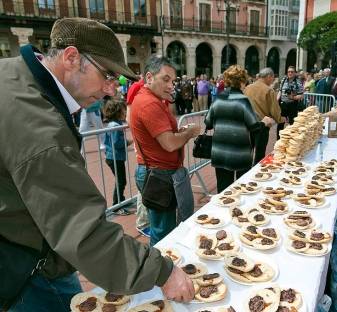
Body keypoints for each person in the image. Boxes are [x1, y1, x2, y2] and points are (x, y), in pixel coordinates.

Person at [0, 17, 194, 311]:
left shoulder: (14, 74)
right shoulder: (37, 123)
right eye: (106, 75)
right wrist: (161, 272)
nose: (110, 89)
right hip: (27, 265)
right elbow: (80, 226)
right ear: (71, 58)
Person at [130, 56, 200, 246]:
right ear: (150, 77)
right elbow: (169, 143)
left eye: (173, 81)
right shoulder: (149, 103)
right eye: (166, 79)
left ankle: (162, 267)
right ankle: (161, 272)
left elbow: (165, 137)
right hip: (159, 174)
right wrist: (190, 133)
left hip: (159, 172)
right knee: (163, 234)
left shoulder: (152, 100)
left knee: (163, 228)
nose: (171, 86)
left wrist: (180, 133)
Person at [205, 65, 274, 192]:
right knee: (241, 189)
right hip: (239, 152)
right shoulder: (243, 100)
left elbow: (208, 123)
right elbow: (254, 127)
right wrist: (264, 122)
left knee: (223, 191)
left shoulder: (218, 99)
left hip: (220, 151)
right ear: (241, 82)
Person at [125, 77, 151, 237]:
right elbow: (129, 117)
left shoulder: (159, 88)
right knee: (146, 182)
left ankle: (145, 219)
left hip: (153, 141)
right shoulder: (136, 87)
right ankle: (142, 221)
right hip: (145, 144)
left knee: (149, 184)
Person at [244, 67, 285, 164]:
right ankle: (256, 175)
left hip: (248, 124)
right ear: (268, 76)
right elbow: (274, 110)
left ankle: (245, 173)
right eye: (272, 78)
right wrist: (280, 119)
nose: (272, 80)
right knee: (259, 154)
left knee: (247, 152)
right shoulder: (268, 90)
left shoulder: (247, 88)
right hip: (262, 125)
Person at [103, 96, 132, 214]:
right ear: (117, 112)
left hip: (115, 157)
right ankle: (116, 205)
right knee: (121, 181)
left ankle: (121, 200)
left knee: (121, 180)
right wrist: (129, 142)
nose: (125, 112)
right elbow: (116, 143)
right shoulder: (115, 126)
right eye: (123, 110)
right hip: (114, 157)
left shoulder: (117, 123)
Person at [277, 66, 304, 137]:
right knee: (280, 122)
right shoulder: (284, 80)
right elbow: (280, 91)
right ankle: (278, 139)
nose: (290, 73)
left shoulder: (298, 82)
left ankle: (292, 139)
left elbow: (301, 95)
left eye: (292, 72)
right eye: (289, 72)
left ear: (295, 73)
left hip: (293, 104)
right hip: (283, 104)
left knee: (293, 123)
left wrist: (293, 97)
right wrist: (276, 100)